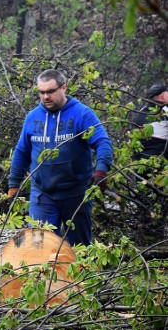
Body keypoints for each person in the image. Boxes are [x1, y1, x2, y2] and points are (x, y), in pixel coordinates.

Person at [7, 69, 114, 246]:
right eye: (41, 92)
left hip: (77, 193)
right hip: (42, 195)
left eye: (50, 91)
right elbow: (21, 151)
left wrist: (101, 171)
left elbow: (102, 142)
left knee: (79, 248)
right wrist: (13, 185)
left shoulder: (81, 114)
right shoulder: (33, 117)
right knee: (37, 245)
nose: (45, 97)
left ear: (63, 87)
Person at [129, 82, 168, 158]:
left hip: (139, 159)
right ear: (163, 95)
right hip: (159, 158)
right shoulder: (165, 110)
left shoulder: (140, 112)